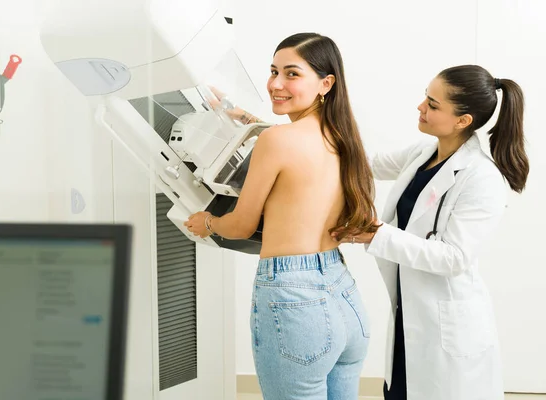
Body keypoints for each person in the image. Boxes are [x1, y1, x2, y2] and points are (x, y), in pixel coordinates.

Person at [185, 32, 379, 399]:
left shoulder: (276, 141)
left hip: (295, 302)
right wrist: (237, 112)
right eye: (273, 71)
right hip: (343, 295)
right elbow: (292, 147)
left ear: (326, 83)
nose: (275, 83)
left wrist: (206, 223)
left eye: (292, 74)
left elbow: (241, 226)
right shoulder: (343, 136)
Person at [332, 65, 530, 400]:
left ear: (462, 121)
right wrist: (265, 129)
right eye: (426, 96)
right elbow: (362, 163)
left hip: (446, 326)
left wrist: (375, 234)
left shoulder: (483, 178)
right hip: (409, 313)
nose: (421, 106)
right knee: (399, 391)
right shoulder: (423, 154)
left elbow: (454, 258)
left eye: (433, 104)